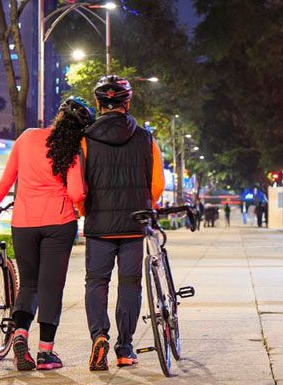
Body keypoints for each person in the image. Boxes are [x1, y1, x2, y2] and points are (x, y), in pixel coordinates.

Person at [0, 97, 94, 372]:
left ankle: (20, 334)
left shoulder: (27, 137)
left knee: (29, 284)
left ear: (57, 117)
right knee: (51, 287)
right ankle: (46, 353)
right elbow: (76, 192)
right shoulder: (69, 149)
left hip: (23, 222)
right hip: (58, 223)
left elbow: (8, 177)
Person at [79, 75, 165, 371]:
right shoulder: (146, 138)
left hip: (98, 225)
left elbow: (80, 185)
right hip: (133, 225)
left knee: (97, 282)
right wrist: (142, 203)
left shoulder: (85, 138)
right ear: (127, 103)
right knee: (130, 284)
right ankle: (125, 346)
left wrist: (85, 209)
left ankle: (99, 337)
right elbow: (156, 186)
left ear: (98, 104)